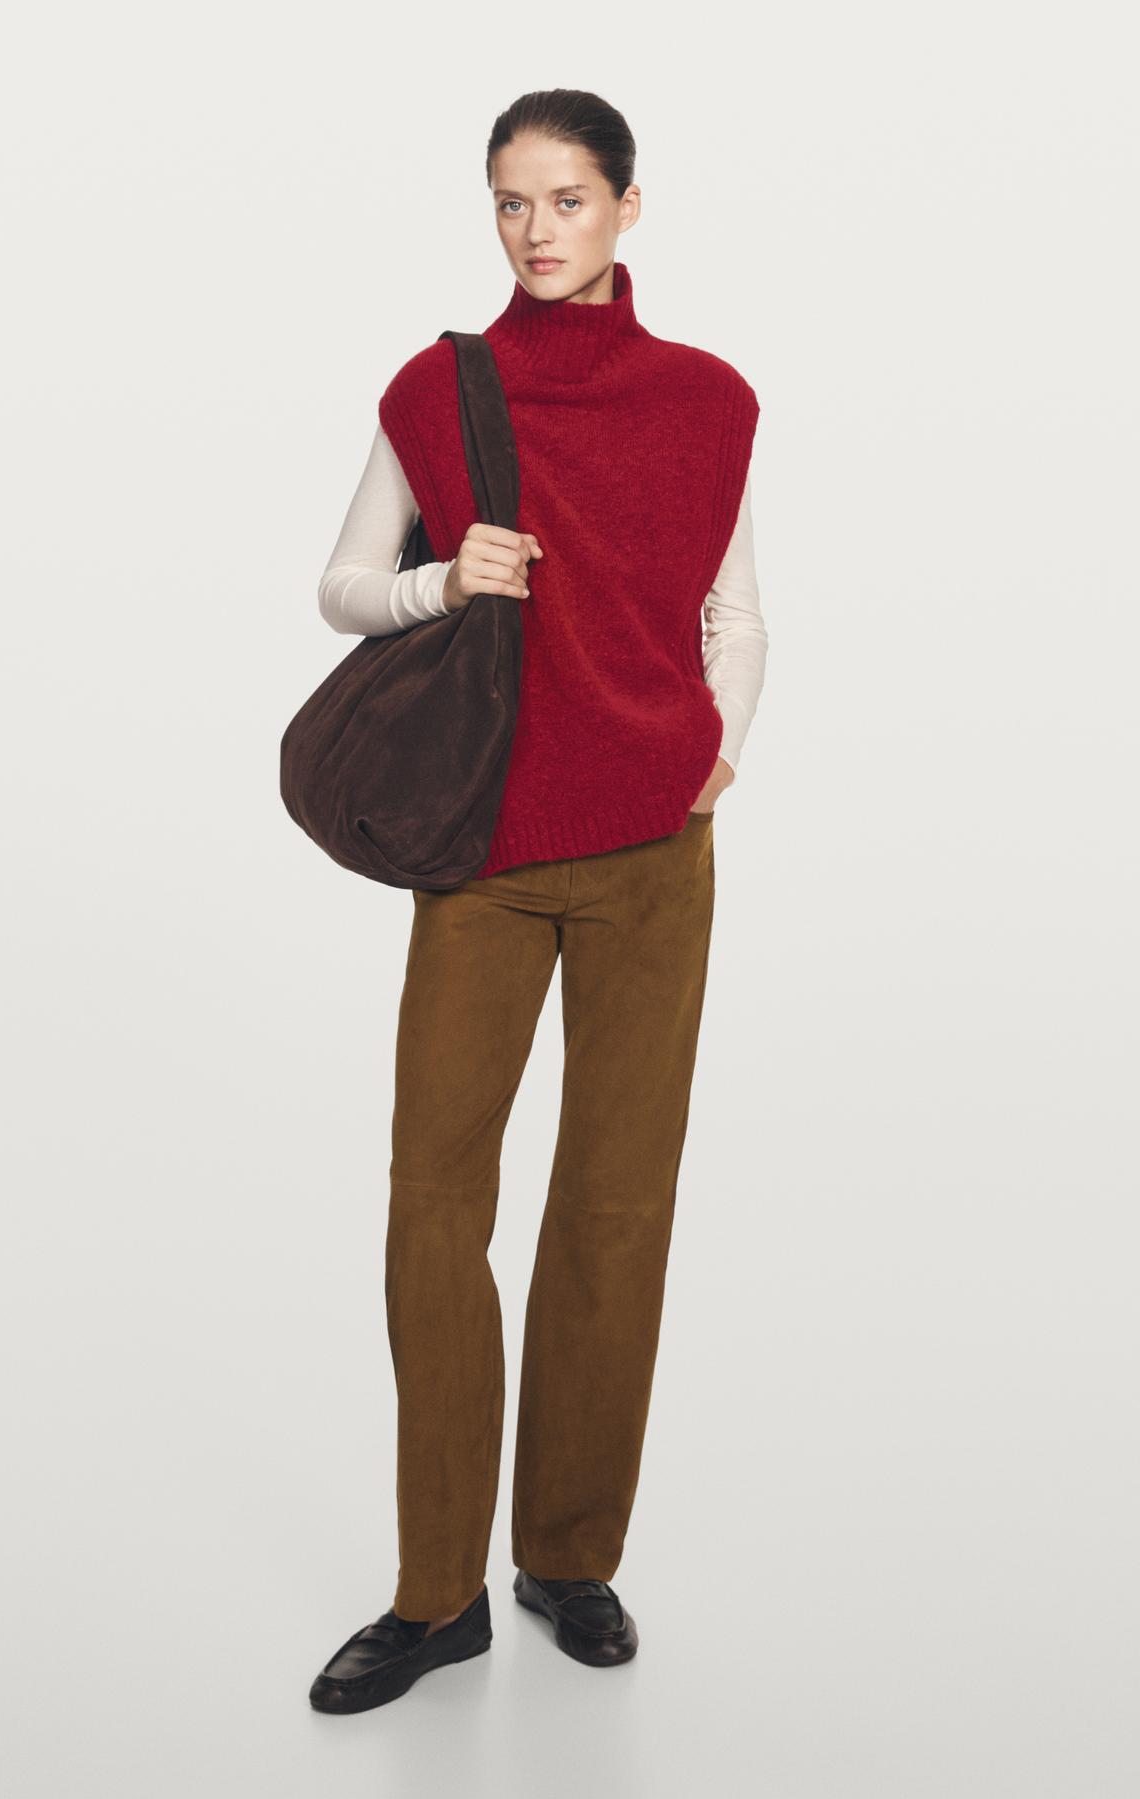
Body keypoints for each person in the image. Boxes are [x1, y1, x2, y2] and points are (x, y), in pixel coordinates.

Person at [307, 88, 767, 1714]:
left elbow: (733, 612)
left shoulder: (709, 400)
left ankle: (569, 1556)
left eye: (567, 199)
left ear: (629, 207)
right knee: (434, 1200)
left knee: (617, 1206)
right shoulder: (438, 392)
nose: (535, 230)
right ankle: (437, 1595)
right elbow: (343, 585)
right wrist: (449, 578)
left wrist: (716, 754)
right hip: (486, 852)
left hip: (654, 851)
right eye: (510, 201)